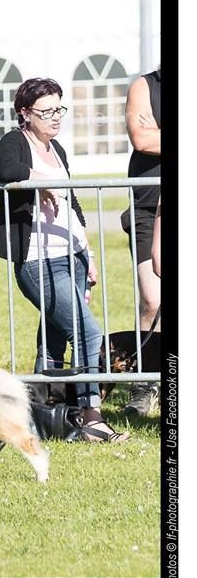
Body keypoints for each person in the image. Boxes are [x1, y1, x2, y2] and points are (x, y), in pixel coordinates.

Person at [0, 78, 129, 443]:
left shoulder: (58, 150)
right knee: (88, 332)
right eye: (46, 111)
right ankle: (92, 417)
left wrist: (89, 254)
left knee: (54, 341)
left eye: (59, 109)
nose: (55, 118)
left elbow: (73, 206)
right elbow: (4, 172)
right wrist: (41, 182)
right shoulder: (15, 142)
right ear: (25, 113)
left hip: (73, 256)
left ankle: (39, 415)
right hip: (38, 261)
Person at [121, 67, 161, 418]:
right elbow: (143, 139)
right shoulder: (145, 86)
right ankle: (144, 383)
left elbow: (155, 138)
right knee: (153, 299)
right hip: (149, 206)